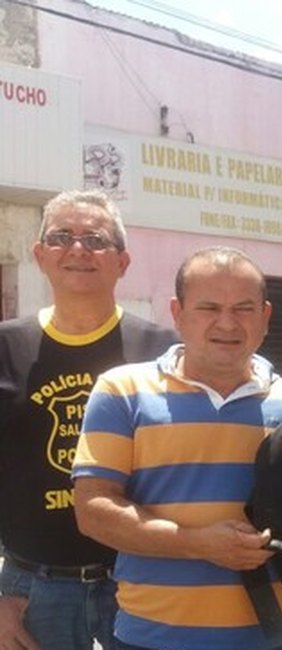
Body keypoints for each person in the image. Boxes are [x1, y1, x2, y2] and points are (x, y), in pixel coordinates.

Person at [71, 247, 282, 649]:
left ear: (265, 317)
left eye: (244, 309)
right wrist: (197, 544)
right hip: (148, 639)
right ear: (178, 314)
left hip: (267, 641)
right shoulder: (122, 391)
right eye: (209, 307)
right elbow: (93, 512)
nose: (227, 323)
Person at [0, 190, 177, 650]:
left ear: (122, 261)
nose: (78, 249)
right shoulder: (5, 349)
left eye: (96, 239)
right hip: (32, 591)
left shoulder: (163, 352)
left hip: (143, 583)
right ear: (40, 256)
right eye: (61, 236)